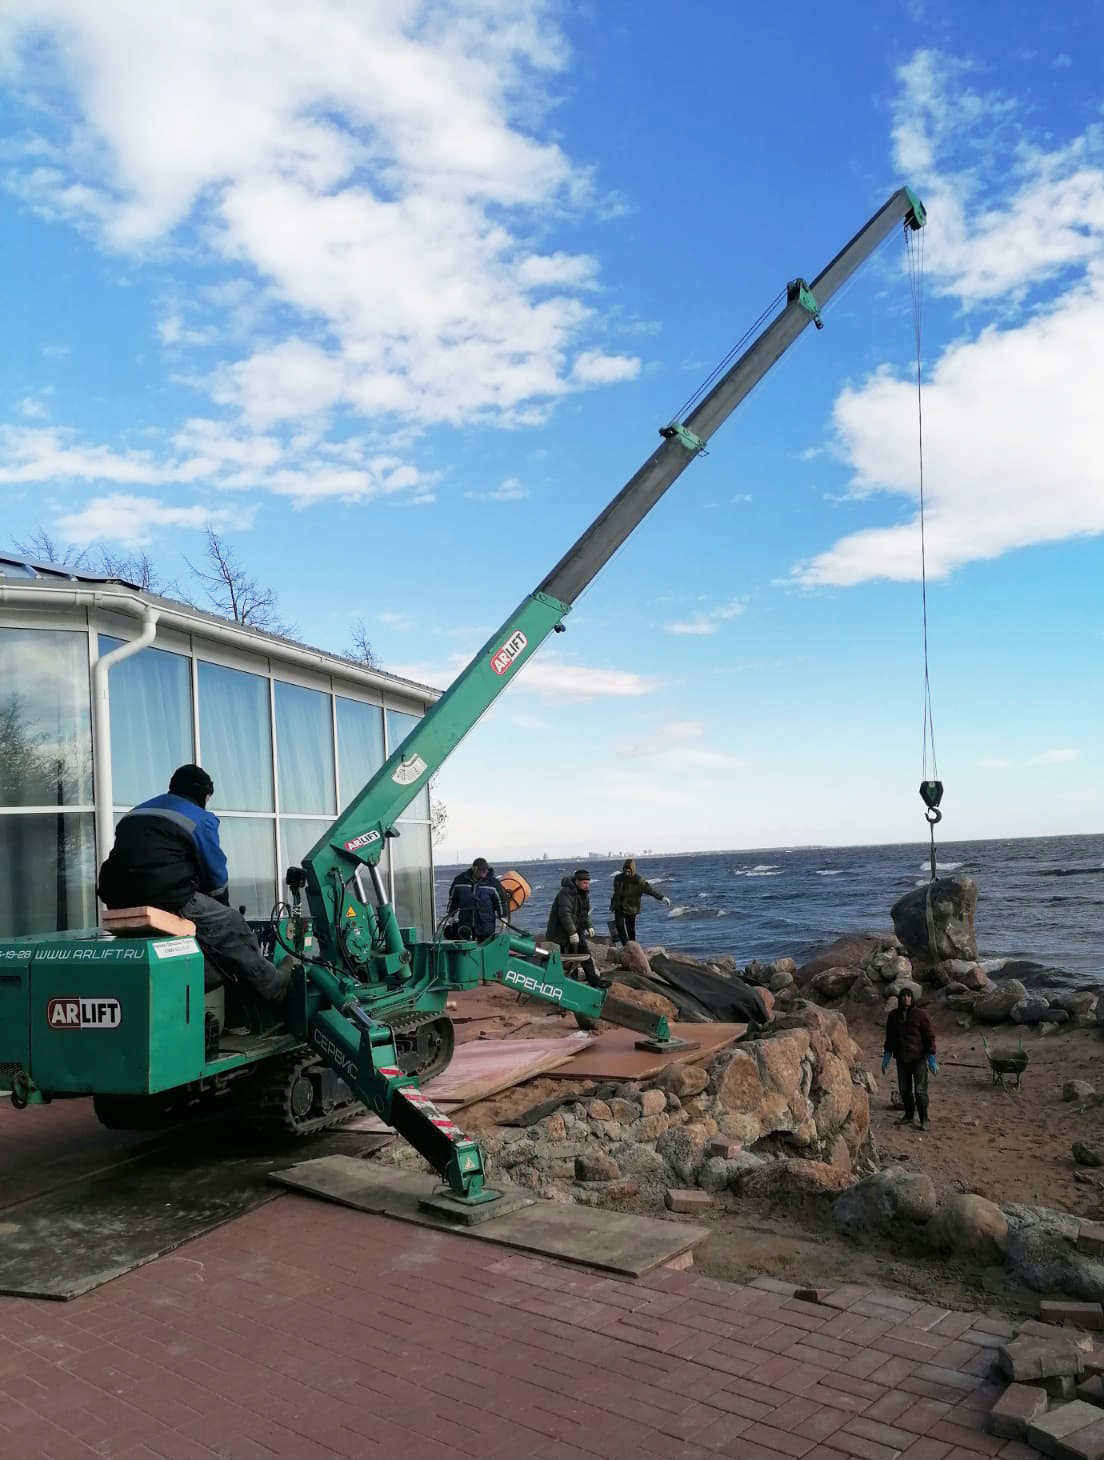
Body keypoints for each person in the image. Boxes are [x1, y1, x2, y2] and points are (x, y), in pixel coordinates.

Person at [98, 764, 289, 1002]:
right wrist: (222, 907)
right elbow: (216, 876)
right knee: (232, 924)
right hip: (165, 896)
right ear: (203, 793)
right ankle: (273, 987)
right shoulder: (200, 818)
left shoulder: (136, 812)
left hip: (118, 898)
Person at [881, 987, 938, 1130]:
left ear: (912, 998)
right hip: (902, 1059)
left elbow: (929, 1036)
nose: (906, 998)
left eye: (909, 995)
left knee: (920, 1091)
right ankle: (908, 1115)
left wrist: (931, 1057)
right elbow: (890, 1037)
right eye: (904, 996)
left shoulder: (920, 1015)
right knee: (905, 1090)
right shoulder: (893, 1016)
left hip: (918, 1058)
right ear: (900, 998)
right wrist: (887, 1055)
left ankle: (924, 1119)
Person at [546, 868, 600, 985]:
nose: (587, 885)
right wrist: (572, 932)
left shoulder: (584, 894)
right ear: (577, 882)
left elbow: (584, 913)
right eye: (584, 883)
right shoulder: (566, 893)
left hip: (577, 929)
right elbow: (564, 914)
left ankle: (594, 981)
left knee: (585, 954)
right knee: (566, 958)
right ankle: (564, 982)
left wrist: (589, 926)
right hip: (561, 932)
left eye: (588, 883)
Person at [609, 858, 670, 946]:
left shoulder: (638, 880)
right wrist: (613, 904)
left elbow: (650, 889)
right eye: (625, 871)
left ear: (632, 870)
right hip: (619, 907)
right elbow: (616, 893)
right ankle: (625, 946)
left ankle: (633, 947)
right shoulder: (618, 878)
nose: (626, 873)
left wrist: (662, 897)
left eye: (628, 871)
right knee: (619, 926)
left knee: (631, 930)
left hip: (631, 908)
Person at [445, 857, 505, 942]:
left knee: (486, 947)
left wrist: (503, 917)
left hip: (486, 926)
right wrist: (450, 915)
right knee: (466, 947)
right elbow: (453, 899)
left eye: (486, 869)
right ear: (474, 869)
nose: (486, 871)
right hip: (465, 926)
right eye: (482, 870)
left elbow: (500, 901)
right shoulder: (459, 881)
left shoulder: (493, 883)